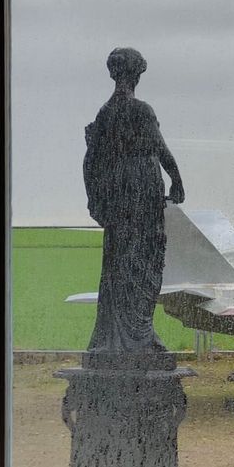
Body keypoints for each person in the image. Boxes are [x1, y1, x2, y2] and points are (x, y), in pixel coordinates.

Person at [82, 47, 185, 369]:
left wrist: (94, 199)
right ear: (138, 73)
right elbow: (159, 148)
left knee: (118, 265)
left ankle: (114, 337)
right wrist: (177, 179)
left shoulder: (104, 112)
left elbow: (90, 161)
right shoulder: (140, 110)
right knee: (142, 261)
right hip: (141, 187)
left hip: (116, 192)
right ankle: (137, 336)